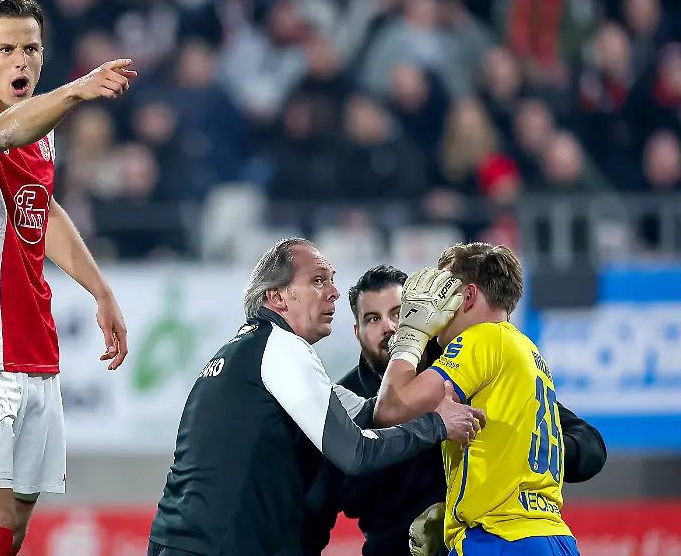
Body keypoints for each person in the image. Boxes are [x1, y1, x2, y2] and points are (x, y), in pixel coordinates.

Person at [0, 0, 136, 556]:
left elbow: (43, 207)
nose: (21, 60)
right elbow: (2, 134)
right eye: (6, 49)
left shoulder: (46, 129)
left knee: (10, 536)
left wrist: (100, 290)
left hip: (36, 356)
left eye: (31, 49)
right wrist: (79, 89)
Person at [148, 238, 487, 556]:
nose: (334, 292)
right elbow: (355, 452)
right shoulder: (283, 347)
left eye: (332, 280)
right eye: (318, 281)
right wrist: (437, 425)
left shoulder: (241, 353)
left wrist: (415, 392)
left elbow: (372, 413)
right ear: (278, 297)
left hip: (174, 541)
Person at [281, 265, 606, 556]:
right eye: (373, 319)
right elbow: (311, 516)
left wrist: (515, 452)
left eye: (400, 312)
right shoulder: (341, 403)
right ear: (357, 333)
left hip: (481, 542)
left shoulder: (465, 369)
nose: (391, 327)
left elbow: (589, 445)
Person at [373, 243, 585, 555]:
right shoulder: (529, 353)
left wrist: (410, 334)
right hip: (553, 537)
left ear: (468, 297)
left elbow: (391, 408)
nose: (435, 305)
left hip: (497, 538)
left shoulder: (480, 338)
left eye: (442, 293)